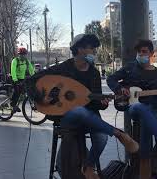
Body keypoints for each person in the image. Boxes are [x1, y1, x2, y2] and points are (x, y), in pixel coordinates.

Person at [28, 34, 139, 179]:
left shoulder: (94, 73)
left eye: (94, 48)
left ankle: (88, 167)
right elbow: (30, 81)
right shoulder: (63, 68)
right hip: (65, 118)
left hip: (90, 117)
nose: (94, 51)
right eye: (91, 48)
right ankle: (119, 133)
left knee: (102, 138)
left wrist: (102, 103)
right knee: (79, 110)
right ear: (79, 49)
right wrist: (41, 97)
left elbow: (95, 101)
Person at [107, 39, 157, 178]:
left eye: (144, 52)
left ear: (151, 53)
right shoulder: (130, 68)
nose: (140, 54)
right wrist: (119, 89)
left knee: (147, 121)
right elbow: (110, 79)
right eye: (138, 52)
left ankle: (145, 172)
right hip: (133, 108)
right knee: (139, 107)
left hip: (153, 111)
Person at [10, 47, 35, 112]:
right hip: (14, 78)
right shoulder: (15, 60)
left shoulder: (26, 61)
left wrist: (34, 76)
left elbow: (31, 69)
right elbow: (13, 71)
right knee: (17, 91)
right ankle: (13, 104)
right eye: (21, 54)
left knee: (23, 91)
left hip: (22, 79)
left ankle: (16, 104)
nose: (23, 56)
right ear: (19, 54)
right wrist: (15, 80)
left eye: (24, 54)